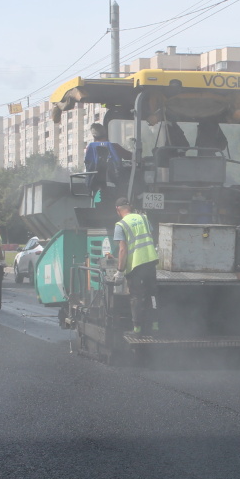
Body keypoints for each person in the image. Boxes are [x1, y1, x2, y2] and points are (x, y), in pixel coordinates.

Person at [112, 197, 159, 335]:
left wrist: (120, 271)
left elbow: (122, 250)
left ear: (118, 210)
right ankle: (155, 327)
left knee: (136, 297)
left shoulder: (120, 225)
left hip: (135, 265)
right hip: (150, 260)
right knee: (152, 294)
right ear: (130, 207)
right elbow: (151, 235)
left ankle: (137, 329)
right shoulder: (143, 218)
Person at [84, 123, 131, 200]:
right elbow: (130, 156)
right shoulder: (114, 147)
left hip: (94, 186)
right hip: (114, 185)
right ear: (105, 133)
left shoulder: (90, 148)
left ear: (94, 136)